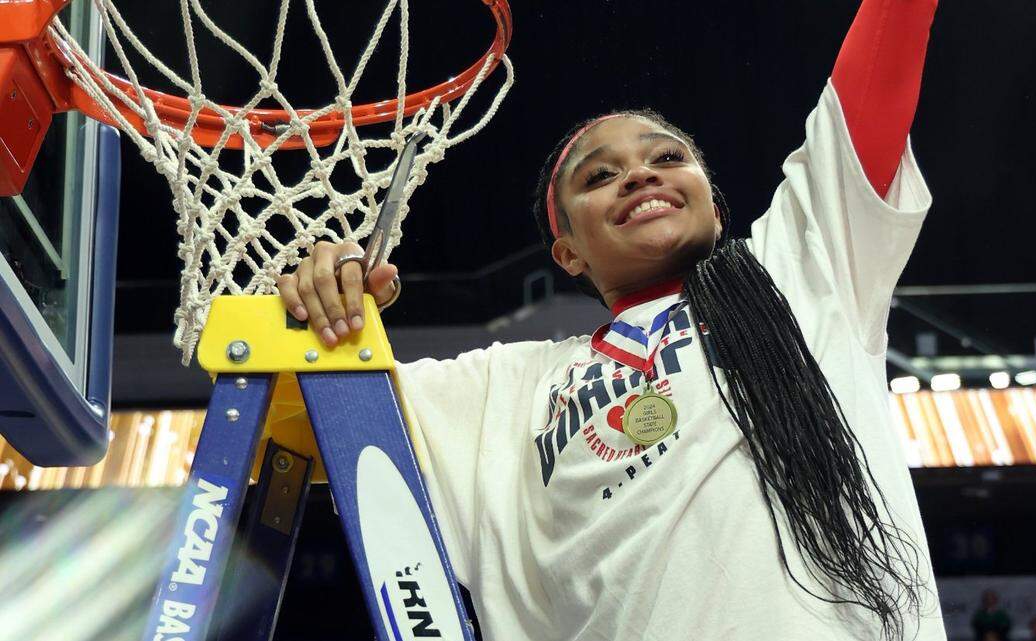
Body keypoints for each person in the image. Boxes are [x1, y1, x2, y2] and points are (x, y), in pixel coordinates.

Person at [276, 0, 945, 639]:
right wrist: (327, 308)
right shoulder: (501, 392)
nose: (640, 176)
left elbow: (879, 66)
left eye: (667, 158)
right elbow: (298, 413)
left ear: (715, 208)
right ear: (567, 252)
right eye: (599, 177)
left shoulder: (801, 272)